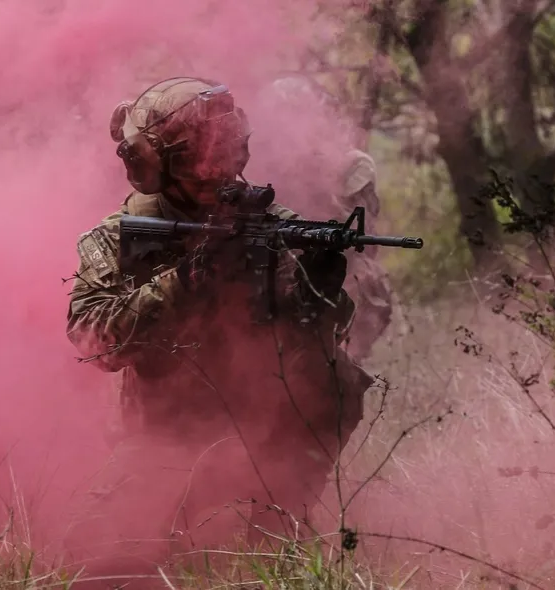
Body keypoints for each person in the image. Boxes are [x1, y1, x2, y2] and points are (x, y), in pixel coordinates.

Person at [63, 77, 375, 575]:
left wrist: (321, 289)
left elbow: (321, 335)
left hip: (262, 432)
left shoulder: (270, 221)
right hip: (164, 438)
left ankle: (278, 522)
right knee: (99, 561)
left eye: (228, 150)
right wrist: (190, 278)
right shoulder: (116, 237)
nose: (217, 169)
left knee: (339, 377)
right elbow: (93, 338)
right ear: (152, 163)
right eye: (195, 157)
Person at [264, 75, 394, 361]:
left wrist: (314, 174)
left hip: (336, 273)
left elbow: (360, 237)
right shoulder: (263, 160)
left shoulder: (351, 164)